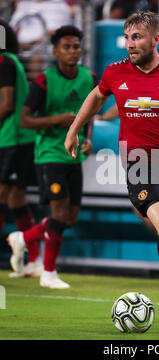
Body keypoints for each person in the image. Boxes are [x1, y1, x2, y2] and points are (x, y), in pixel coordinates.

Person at [65, 11, 159, 326]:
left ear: (155, 39)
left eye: (138, 37)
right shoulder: (115, 73)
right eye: (128, 37)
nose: (131, 44)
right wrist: (75, 128)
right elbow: (96, 96)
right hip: (139, 165)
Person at [7, 25, 96, 289]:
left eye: (76, 46)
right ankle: (48, 273)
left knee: (69, 218)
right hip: (49, 154)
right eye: (67, 47)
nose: (72, 51)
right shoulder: (44, 81)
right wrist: (57, 119)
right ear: (56, 50)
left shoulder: (89, 77)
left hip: (74, 156)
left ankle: (22, 238)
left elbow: (88, 112)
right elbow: (24, 120)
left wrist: (87, 138)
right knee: (58, 213)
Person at [0, 19, 39, 277]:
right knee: (14, 199)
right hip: (17, 140)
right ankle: (34, 259)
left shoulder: (4, 62)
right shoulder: (10, 61)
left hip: (13, 140)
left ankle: (34, 258)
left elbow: (6, 105)